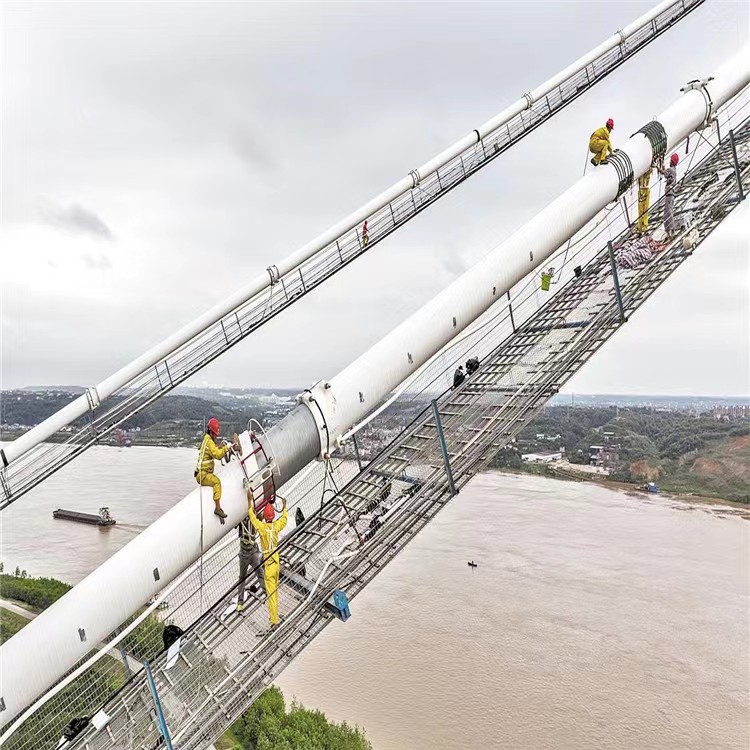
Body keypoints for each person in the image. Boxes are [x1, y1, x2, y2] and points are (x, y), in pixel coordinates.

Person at [245, 483, 288, 629]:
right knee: (274, 591)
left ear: (265, 516)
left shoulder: (262, 528)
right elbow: (284, 519)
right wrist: (285, 506)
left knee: (271, 595)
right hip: (276, 562)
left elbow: (252, 517)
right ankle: (273, 616)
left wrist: (249, 501)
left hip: (268, 565)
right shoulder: (275, 526)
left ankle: (274, 621)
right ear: (273, 516)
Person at [195, 418, 234, 522]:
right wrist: (226, 448)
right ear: (211, 432)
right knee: (217, 482)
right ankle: (217, 508)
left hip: (200, 474)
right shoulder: (209, 442)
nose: (216, 436)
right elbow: (217, 455)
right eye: (216, 434)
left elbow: (213, 450)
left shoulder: (207, 439)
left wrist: (220, 447)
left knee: (215, 480)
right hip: (203, 475)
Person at [236, 515, 267, 612]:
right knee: (242, 578)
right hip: (244, 554)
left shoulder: (255, 516)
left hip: (252, 552)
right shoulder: (240, 519)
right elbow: (234, 524)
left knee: (260, 573)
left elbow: (261, 518)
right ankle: (240, 602)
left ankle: (267, 592)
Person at [657, 153, 679, 236]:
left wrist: (656, 167)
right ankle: (668, 231)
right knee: (666, 212)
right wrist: (662, 164)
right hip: (671, 194)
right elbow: (666, 172)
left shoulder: (671, 170)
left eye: (670, 160)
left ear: (672, 161)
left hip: (669, 194)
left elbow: (663, 172)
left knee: (668, 212)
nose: (669, 161)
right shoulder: (673, 170)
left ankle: (671, 230)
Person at [637, 169, 652, 235]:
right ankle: (640, 229)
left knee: (645, 211)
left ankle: (644, 228)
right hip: (642, 192)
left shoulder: (647, 171)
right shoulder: (641, 173)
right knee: (641, 212)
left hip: (644, 191)